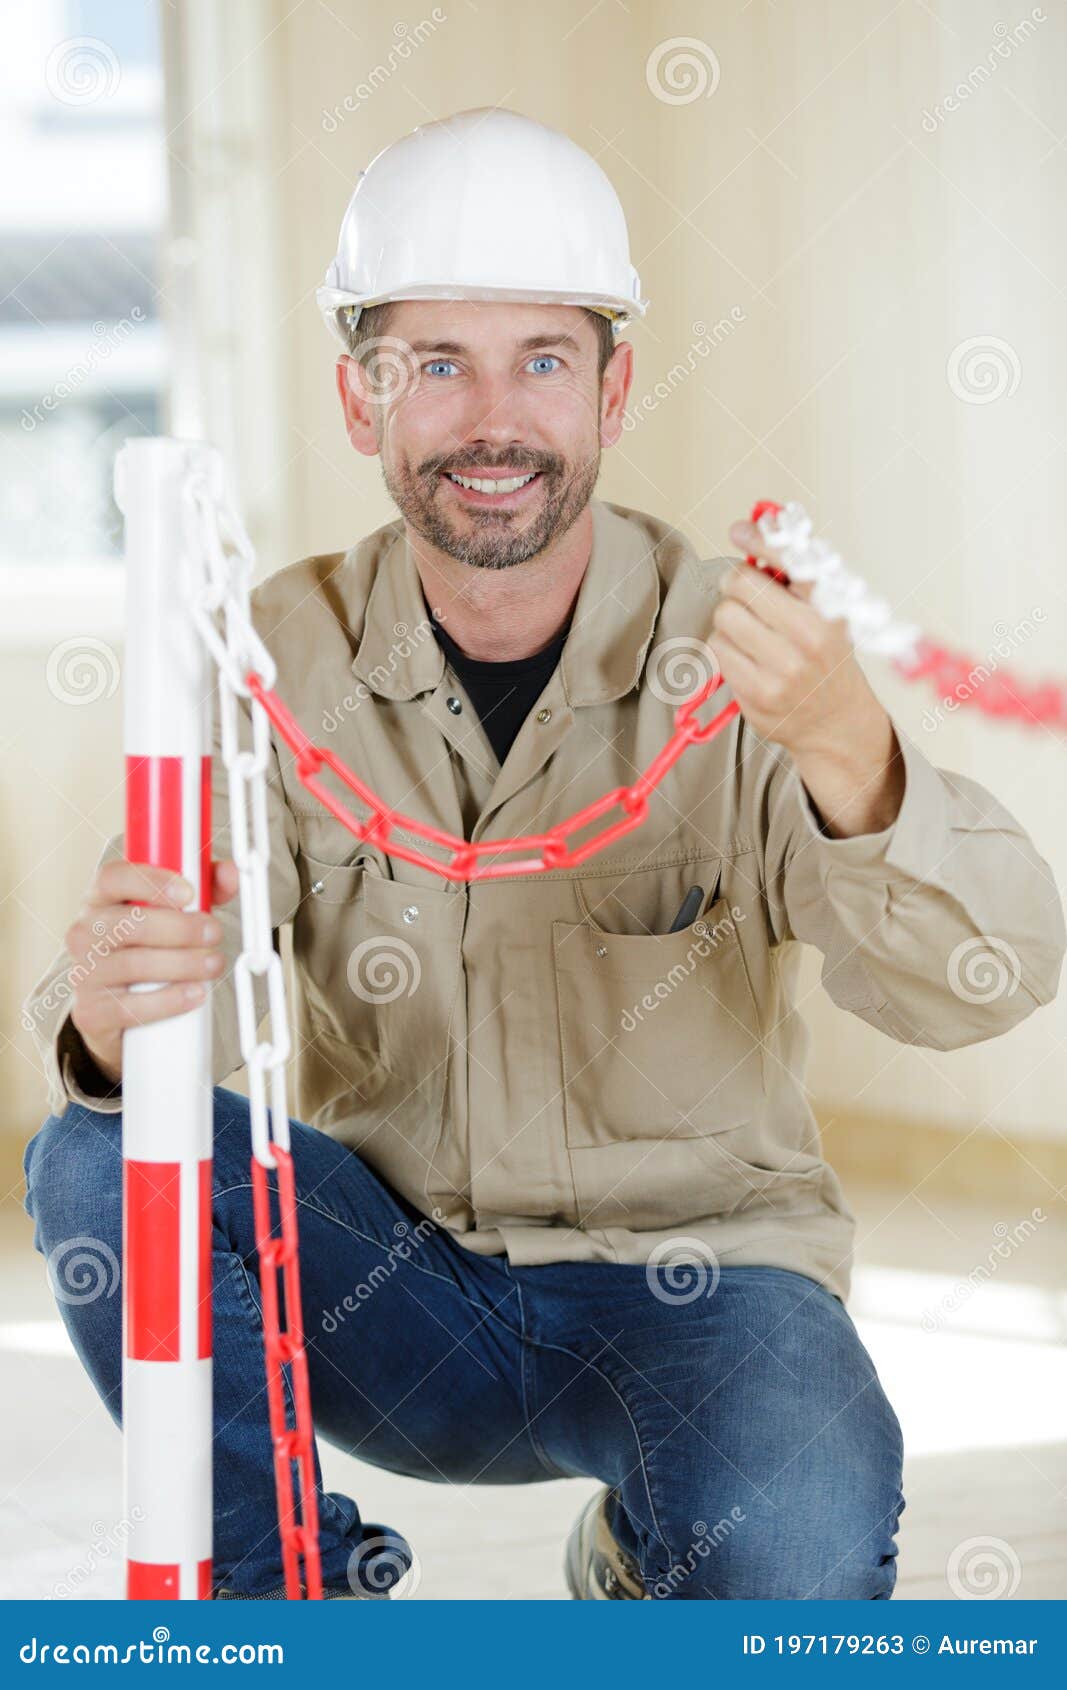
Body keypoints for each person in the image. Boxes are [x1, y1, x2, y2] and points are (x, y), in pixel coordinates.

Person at [22, 107, 1065, 1601]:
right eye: (435, 363)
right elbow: (118, 976)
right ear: (356, 398)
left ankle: (650, 1541)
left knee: (793, 1586)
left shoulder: (745, 656)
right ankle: (281, 1597)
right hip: (403, 1298)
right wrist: (110, 1025)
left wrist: (851, 749)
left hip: (708, 1293)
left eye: (543, 360)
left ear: (614, 389)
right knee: (95, 1152)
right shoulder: (268, 660)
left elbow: (994, 975)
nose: (493, 418)